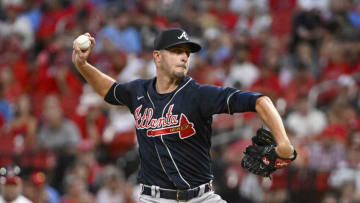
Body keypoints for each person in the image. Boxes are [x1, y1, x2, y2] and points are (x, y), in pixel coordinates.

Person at [72, 28, 295, 203]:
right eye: (177, 51)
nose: (184, 57)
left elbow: (260, 101)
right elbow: (109, 91)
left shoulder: (199, 95)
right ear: (157, 57)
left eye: (187, 53)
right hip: (154, 199)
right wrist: (82, 65)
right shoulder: (138, 92)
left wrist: (283, 142)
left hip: (202, 197)